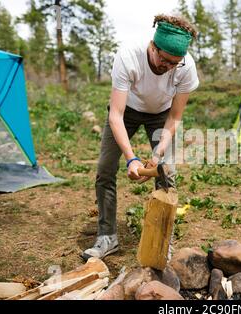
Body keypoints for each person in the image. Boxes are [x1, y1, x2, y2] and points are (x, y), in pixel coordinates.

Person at [82, 14, 199, 261]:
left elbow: (175, 118)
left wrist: (157, 155)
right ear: (153, 46)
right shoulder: (128, 56)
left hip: (162, 115)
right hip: (127, 113)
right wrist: (131, 158)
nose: (168, 68)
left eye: (174, 64)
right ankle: (107, 237)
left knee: (167, 173)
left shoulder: (185, 66)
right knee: (105, 169)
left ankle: (162, 239)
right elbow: (116, 114)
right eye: (165, 60)